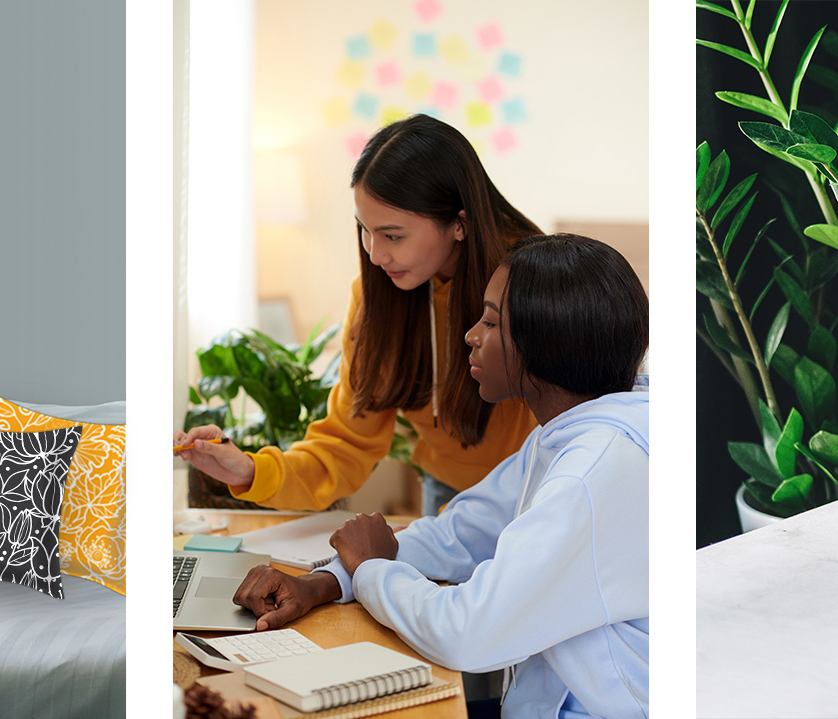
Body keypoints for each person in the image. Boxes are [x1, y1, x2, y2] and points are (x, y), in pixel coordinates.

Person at [231, 234, 649, 719]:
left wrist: (370, 569)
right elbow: (460, 534)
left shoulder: (590, 474)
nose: (471, 335)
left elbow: (468, 635)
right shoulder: (568, 434)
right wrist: (326, 582)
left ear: (545, 344)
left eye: (491, 322)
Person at [176, 114, 542, 515]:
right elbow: (346, 442)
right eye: (365, 230)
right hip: (447, 496)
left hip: (538, 495)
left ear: (459, 223)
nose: (374, 253)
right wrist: (246, 469)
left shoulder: (536, 285)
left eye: (392, 235)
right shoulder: (378, 295)